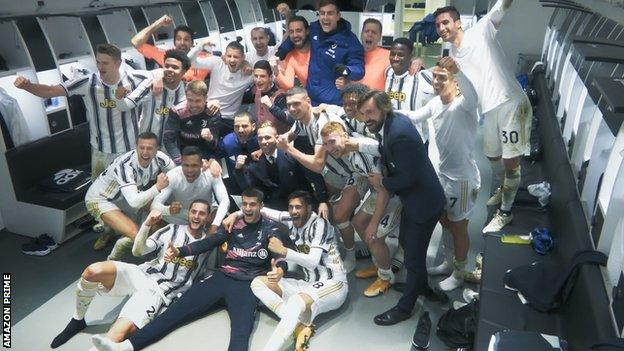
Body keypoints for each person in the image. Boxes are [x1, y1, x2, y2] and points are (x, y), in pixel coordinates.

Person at [91, 188, 294, 351]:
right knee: (175, 312)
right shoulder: (233, 224)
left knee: (241, 332)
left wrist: (281, 270)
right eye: (245, 204)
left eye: (253, 204)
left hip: (247, 284)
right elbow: (209, 242)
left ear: (261, 206)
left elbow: (279, 255)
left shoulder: (271, 228)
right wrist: (180, 251)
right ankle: (127, 346)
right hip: (221, 278)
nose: (248, 208)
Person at [50, 201, 212, 349]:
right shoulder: (173, 229)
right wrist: (147, 225)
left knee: (115, 335)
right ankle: (77, 320)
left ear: (208, 217)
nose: (196, 216)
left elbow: (209, 273)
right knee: (92, 271)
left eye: (202, 213)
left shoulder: (210, 245)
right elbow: (138, 251)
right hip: (141, 274)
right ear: (189, 213)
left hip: (159, 291)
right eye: (194, 212)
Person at [434, 2, 532, 232]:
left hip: (510, 102)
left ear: (458, 23)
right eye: (438, 25)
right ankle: (504, 189)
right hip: (490, 108)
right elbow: (465, 87)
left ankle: (505, 212)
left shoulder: (481, 29)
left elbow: (503, 5)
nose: (441, 28)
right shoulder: (453, 54)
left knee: (510, 162)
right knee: (491, 155)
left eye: (446, 22)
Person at [356, 91, 447, 326]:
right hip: (414, 200)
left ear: (384, 108)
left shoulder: (399, 135)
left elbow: (409, 177)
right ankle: (424, 288)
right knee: (407, 244)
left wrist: (382, 182)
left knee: (414, 260)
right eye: (363, 113)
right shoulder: (392, 124)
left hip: (424, 204)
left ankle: (405, 308)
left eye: (371, 112)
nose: (367, 118)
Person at [223, 191, 347, 351]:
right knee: (257, 283)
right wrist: (235, 214)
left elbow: (312, 262)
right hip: (307, 284)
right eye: (291, 207)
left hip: (333, 283)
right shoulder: (290, 219)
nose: (294, 211)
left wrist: (284, 251)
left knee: (296, 302)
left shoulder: (320, 224)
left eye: (298, 207)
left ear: (309, 208)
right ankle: (298, 324)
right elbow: (264, 210)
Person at [14, 44, 150, 179]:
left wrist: (160, 82)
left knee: (130, 193)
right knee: (99, 195)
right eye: (98, 62)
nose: (100, 67)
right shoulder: (87, 82)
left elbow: (158, 75)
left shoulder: (135, 79)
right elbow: (50, 91)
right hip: (100, 151)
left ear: (118, 63)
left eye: (105, 63)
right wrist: (28, 86)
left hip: (129, 149)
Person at [403, 58, 481, 291]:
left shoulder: (464, 105)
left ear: (456, 82)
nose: (436, 82)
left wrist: (460, 70)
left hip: (463, 180)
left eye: (442, 78)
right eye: (435, 77)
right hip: (444, 175)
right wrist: (382, 109)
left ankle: (458, 272)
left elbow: (473, 94)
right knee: (445, 220)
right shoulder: (436, 103)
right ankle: (448, 263)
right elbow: (413, 116)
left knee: (459, 227)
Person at [320, 122, 402, 297]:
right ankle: (379, 263)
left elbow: (384, 191)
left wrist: (373, 224)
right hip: (381, 191)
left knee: (374, 235)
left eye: (332, 141)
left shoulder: (362, 154)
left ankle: (386, 278)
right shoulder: (348, 152)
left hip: (396, 195)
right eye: (325, 144)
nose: (329, 148)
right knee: (358, 222)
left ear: (345, 136)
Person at [84, 132, 175, 259]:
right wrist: (158, 187)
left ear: (157, 150)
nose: (145, 152)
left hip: (126, 196)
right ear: (136, 147)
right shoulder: (125, 166)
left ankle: (113, 230)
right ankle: (112, 260)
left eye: (149, 148)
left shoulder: (160, 158)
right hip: (101, 199)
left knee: (162, 218)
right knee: (138, 236)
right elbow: (134, 202)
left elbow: (177, 175)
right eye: (141, 147)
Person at [276, 0, 364, 105]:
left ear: (338, 16)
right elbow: (297, 37)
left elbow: (359, 69)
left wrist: (347, 71)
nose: (325, 17)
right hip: (311, 99)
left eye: (330, 13)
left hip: (334, 102)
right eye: (322, 13)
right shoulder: (314, 28)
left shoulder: (350, 40)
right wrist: (281, 52)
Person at [235, 122, 329, 214]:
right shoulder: (255, 163)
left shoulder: (292, 155)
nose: (263, 141)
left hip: (303, 203)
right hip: (277, 210)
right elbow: (251, 191)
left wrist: (323, 200)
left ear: (276, 138)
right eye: (260, 138)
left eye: (267, 137)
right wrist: (238, 170)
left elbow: (315, 176)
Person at [115, 49, 190, 145]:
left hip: (171, 146)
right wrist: (119, 97)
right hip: (146, 144)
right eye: (167, 66)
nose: (169, 70)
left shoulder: (187, 90)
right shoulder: (151, 84)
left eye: (174, 67)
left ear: (184, 71)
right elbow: (124, 106)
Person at [151, 146, 229, 227]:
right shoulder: (172, 176)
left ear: (201, 164)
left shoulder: (212, 173)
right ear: (181, 164)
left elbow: (225, 200)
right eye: (186, 165)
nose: (189, 170)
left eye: (194, 165)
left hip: (207, 216)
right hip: (181, 216)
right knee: (156, 217)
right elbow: (154, 205)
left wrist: (215, 225)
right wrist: (168, 210)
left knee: (221, 217)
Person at [187, 41, 253, 135]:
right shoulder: (217, 62)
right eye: (229, 56)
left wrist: (247, 65)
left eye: (236, 57)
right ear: (224, 56)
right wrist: (201, 45)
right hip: (208, 113)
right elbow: (189, 61)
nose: (232, 60)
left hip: (228, 120)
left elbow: (268, 76)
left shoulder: (248, 75)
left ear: (243, 57)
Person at [386, 38, 435, 151]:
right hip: (392, 139)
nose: (395, 58)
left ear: (410, 57)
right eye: (393, 54)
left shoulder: (422, 76)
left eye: (401, 55)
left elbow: (446, 86)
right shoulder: (388, 72)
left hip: (416, 142)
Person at [131, 15, 210, 81]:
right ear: (174, 42)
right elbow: (135, 42)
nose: (182, 43)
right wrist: (157, 24)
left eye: (186, 39)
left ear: (192, 43)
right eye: (178, 39)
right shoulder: (165, 55)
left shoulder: (205, 58)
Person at [163, 80, 222, 164]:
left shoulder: (212, 112)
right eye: (190, 100)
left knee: (215, 172)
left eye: (198, 101)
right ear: (186, 97)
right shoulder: (177, 111)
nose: (194, 105)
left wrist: (210, 138)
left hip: (205, 156)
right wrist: (181, 162)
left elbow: (215, 146)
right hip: (182, 155)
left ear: (206, 98)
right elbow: (168, 140)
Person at [241, 60, 291, 134]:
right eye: (256, 76)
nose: (258, 80)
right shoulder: (256, 90)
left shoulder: (280, 95)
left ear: (270, 77)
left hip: (278, 139)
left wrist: (271, 107)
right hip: (260, 136)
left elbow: (289, 119)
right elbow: (241, 99)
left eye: (262, 76)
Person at [219, 112, 260, 195]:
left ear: (253, 126)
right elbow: (223, 164)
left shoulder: (261, 140)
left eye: (244, 126)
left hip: (259, 187)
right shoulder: (227, 142)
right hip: (234, 186)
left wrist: (262, 150)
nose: (240, 130)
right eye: (237, 126)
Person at [272, 15, 311, 91]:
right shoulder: (290, 57)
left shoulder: (317, 48)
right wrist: (276, 71)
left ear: (307, 31)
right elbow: (288, 85)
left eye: (298, 30)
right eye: (291, 32)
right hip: (313, 99)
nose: (295, 35)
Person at [353, 18, 389, 91]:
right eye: (367, 31)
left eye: (374, 32)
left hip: (377, 101)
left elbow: (406, 62)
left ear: (379, 38)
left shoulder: (389, 56)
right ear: (361, 35)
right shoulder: (352, 54)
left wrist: (416, 61)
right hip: (353, 101)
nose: (370, 34)